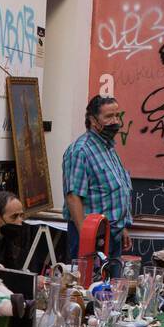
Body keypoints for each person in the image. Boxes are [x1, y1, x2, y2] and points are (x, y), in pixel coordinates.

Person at [62, 95, 131, 261]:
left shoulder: (108, 147)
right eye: (108, 117)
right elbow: (73, 197)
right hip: (92, 238)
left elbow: (113, 192)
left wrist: (121, 227)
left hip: (112, 235)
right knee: (90, 285)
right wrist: (87, 239)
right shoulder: (80, 151)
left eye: (117, 115)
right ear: (93, 120)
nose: (115, 121)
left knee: (111, 286)